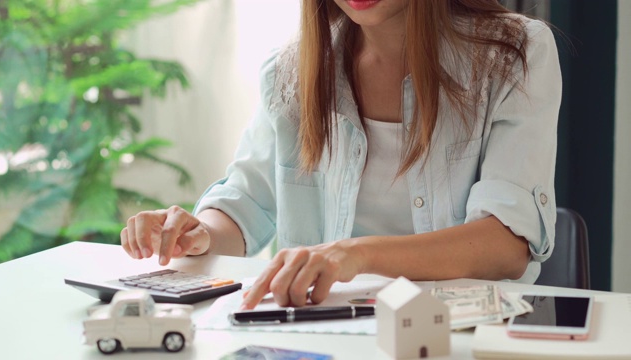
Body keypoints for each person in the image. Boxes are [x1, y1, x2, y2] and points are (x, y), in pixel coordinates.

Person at [120, 0, 561, 311]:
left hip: (459, 332)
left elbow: (506, 245)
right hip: (324, 327)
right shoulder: (291, 71)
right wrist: (197, 234)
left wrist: (355, 254)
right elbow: (247, 203)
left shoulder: (512, 57)